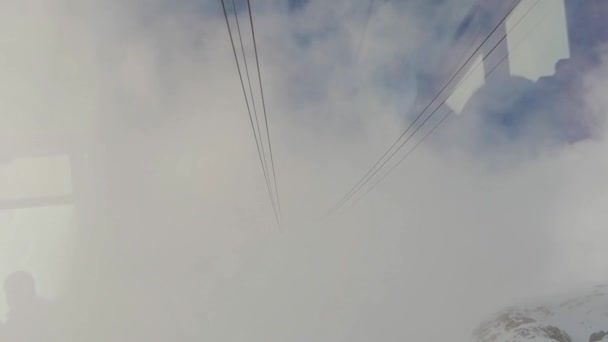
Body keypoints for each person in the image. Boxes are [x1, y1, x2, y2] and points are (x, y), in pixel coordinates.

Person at [2, 271, 56, 341]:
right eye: (8, 294)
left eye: (12, 293)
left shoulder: (49, 314)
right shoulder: (14, 320)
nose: (8, 301)